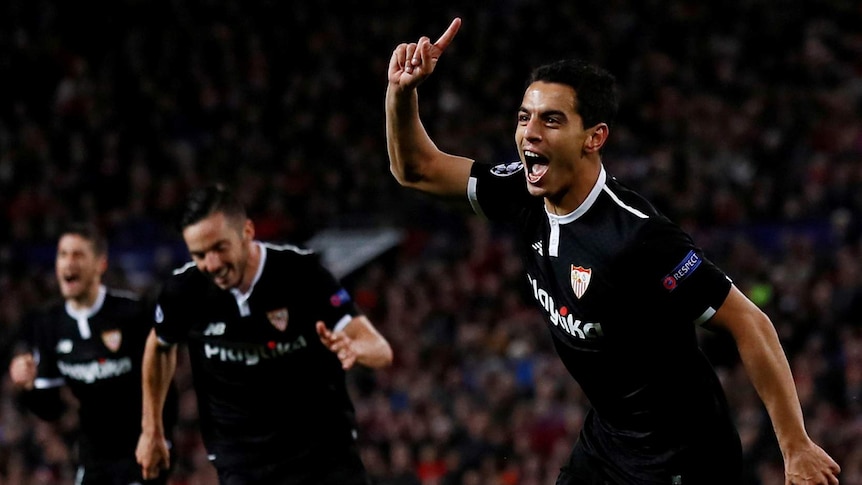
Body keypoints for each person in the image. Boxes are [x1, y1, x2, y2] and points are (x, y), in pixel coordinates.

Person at [385, 18, 841, 485]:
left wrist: (795, 445)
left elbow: (750, 322)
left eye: (551, 119)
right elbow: (417, 170)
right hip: (608, 443)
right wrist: (401, 93)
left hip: (684, 457)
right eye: (524, 117)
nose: (529, 132)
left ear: (594, 137)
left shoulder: (639, 238)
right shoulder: (521, 193)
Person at [135, 183, 394, 485]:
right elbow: (160, 345)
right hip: (243, 462)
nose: (212, 264)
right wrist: (152, 430)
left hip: (322, 453)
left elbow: (379, 349)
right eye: (200, 254)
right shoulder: (184, 291)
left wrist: (355, 348)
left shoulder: (300, 273)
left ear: (247, 231)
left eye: (220, 248)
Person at [8, 222, 177, 485]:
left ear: (100, 264)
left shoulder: (131, 313)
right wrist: (28, 386)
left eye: (78, 255)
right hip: (94, 457)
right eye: (63, 254)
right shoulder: (48, 323)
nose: (68, 262)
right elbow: (51, 408)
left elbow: (165, 381)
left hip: (142, 448)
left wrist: (159, 437)